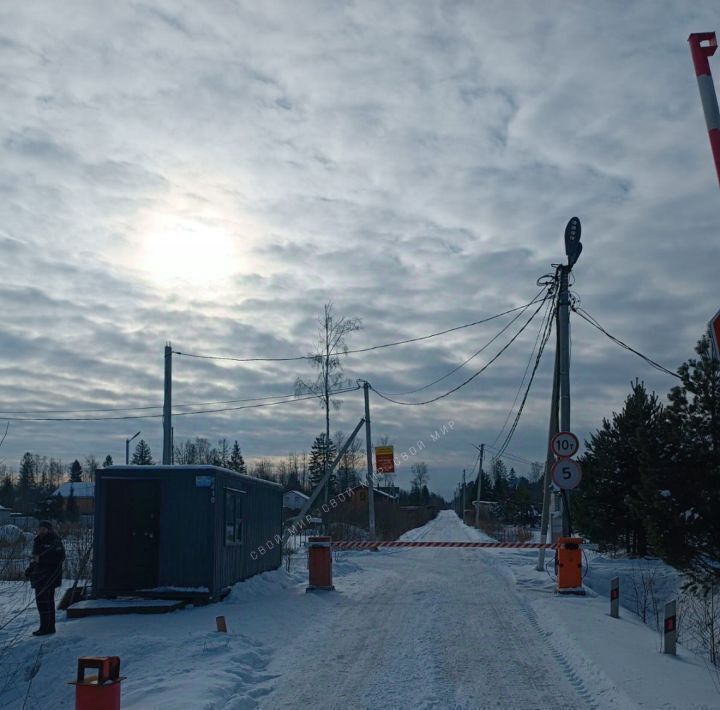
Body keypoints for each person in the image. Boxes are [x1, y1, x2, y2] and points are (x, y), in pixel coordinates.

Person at [26, 520, 65, 636]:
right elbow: (34, 558)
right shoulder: (37, 541)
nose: (41, 531)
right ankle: (44, 626)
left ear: (49, 529)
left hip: (50, 576)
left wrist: (42, 560)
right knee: (41, 602)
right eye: (40, 529)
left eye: (44, 529)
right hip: (38, 576)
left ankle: (48, 627)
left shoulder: (55, 541)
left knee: (47, 602)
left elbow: (60, 558)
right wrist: (30, 569)